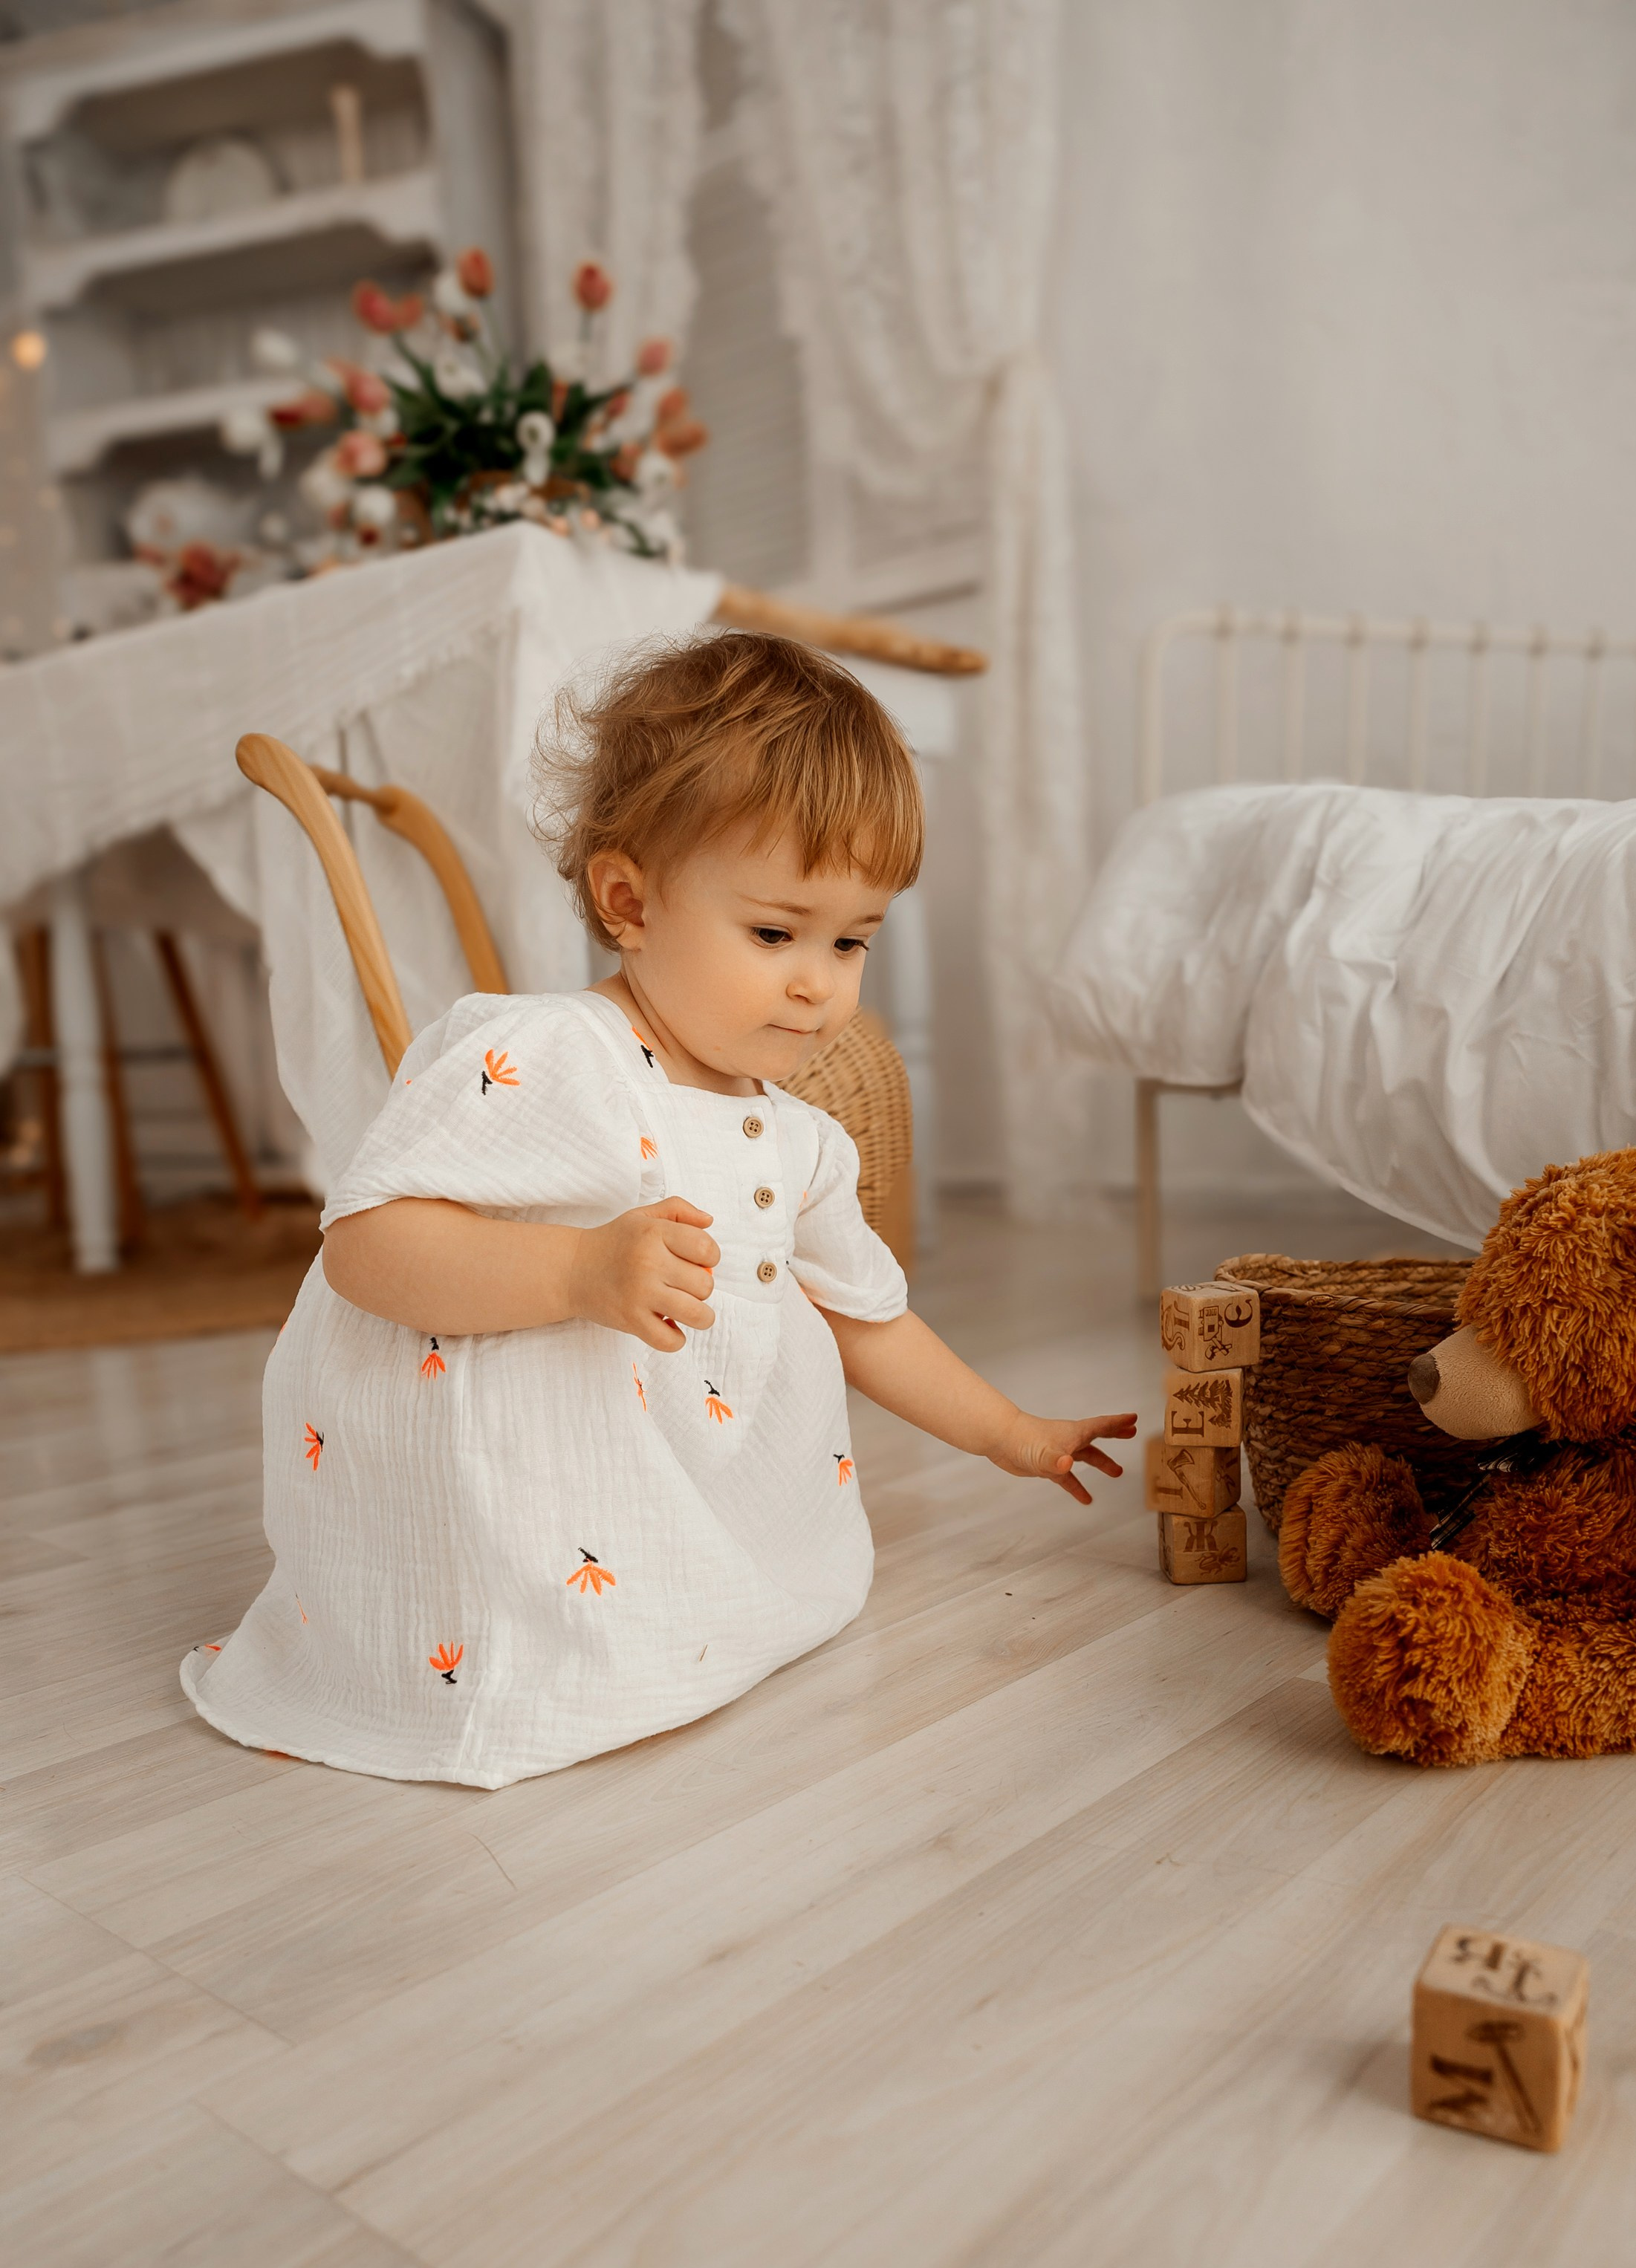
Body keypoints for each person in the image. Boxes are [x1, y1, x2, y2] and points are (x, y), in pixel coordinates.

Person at [183, 633, 1135, 1787]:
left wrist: (1015, 1435)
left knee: (730, 1611)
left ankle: (678, 1611)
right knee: (534, 1662)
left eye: (852, 941)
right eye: (776, 933)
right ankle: (513, 1653)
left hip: (655, 1495)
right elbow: (366, 1251)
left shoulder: (804, 1141)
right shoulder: (547, 1057)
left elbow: (868, 1319)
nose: (817, 982)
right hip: (498, 1515)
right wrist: (577, 1275)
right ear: (628, 901)